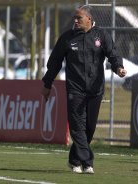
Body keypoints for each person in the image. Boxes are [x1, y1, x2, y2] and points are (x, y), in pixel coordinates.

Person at [41, 5, 127, 174]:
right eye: (75, 18)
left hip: (96, 90)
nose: (75, 21)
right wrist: (47, 84)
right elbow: (54, 63)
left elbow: (113, 54)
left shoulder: (101, 35)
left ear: (89, 19)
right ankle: (87, 163)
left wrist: (119, 68)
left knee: (89, 128)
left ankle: (74, 160)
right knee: (77, 127)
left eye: (79, 18)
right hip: (75, 89)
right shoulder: (67, 38)